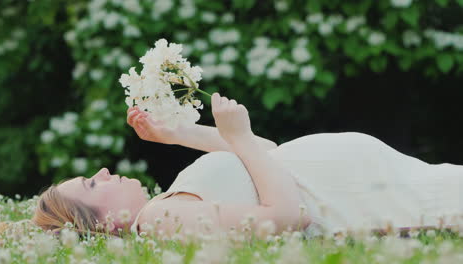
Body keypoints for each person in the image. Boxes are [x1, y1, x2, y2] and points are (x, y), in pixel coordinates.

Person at [30, 93, 463, 239]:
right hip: (376, 198)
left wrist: (178, 134)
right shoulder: (159, 219)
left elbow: (268, 157)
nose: (103, 173)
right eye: (90, 185)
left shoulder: (166, 205)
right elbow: (286, 215)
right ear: (97, 223)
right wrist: (236, 137)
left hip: (392, 178)